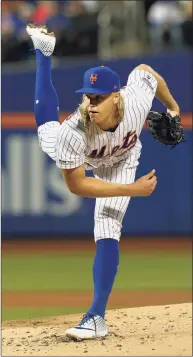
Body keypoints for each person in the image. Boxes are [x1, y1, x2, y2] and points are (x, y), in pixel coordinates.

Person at [26, 24, 180, 340]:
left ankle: (96, 317)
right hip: (89, 159)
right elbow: (77, 185)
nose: (91, 104)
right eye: (87, 97)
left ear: (115, 96)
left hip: (124, 157)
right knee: (46, 130)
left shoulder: (136, 102)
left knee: (107, 225)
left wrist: (173, 107)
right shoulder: (75, 130)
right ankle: (43, 54)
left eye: (98, 98)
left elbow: (146, 70)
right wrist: (131, 190)